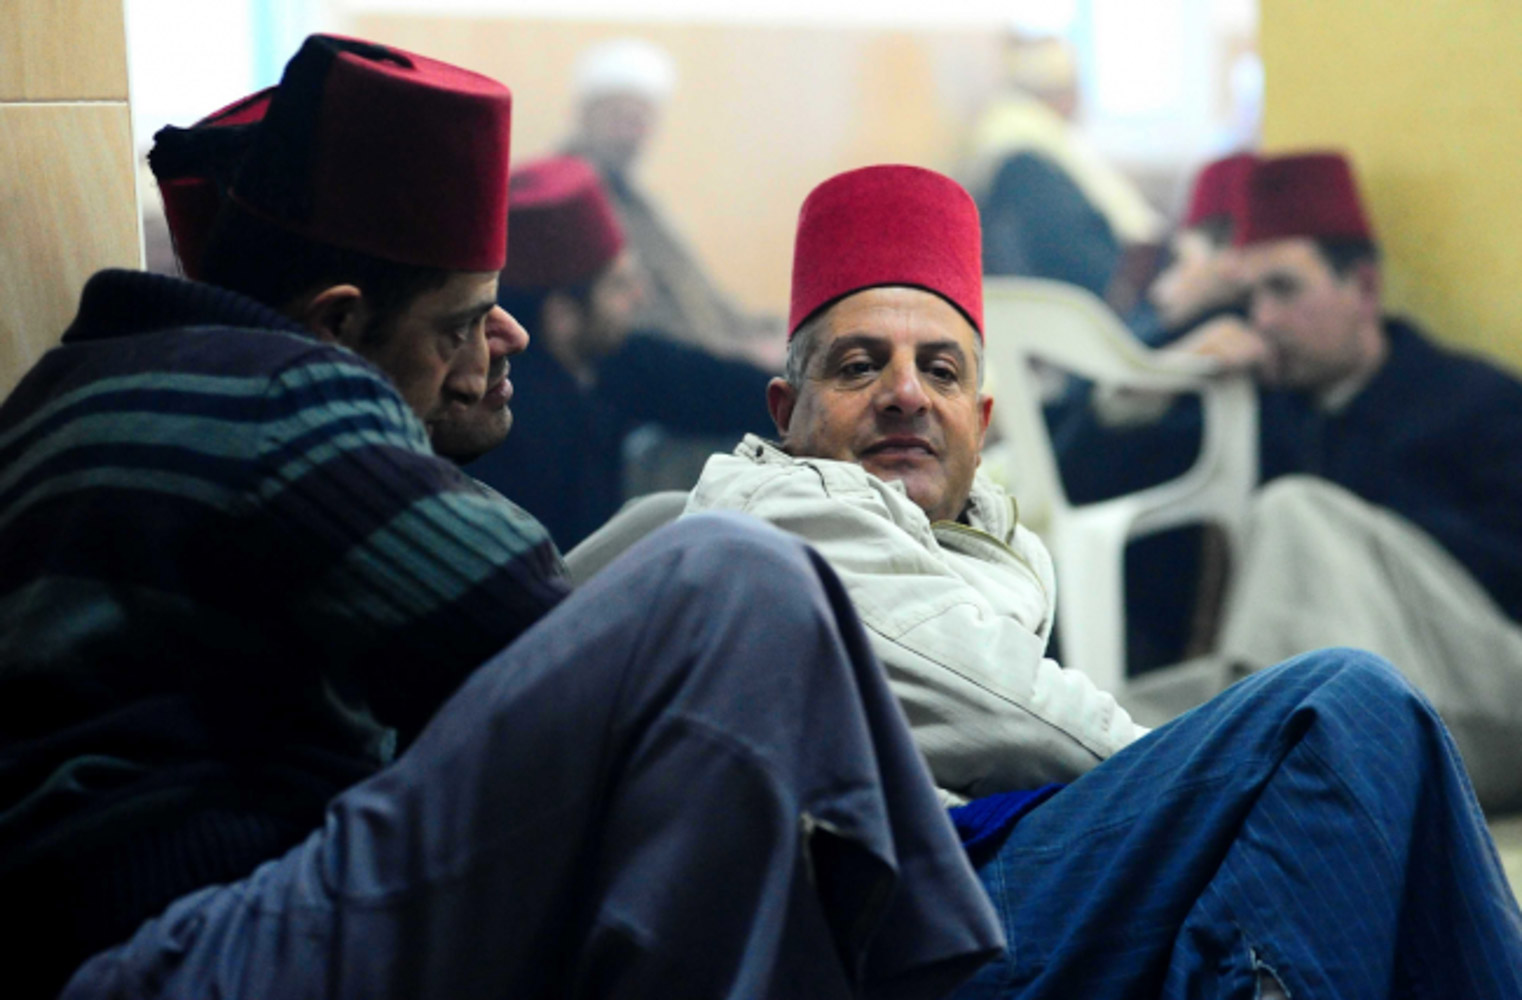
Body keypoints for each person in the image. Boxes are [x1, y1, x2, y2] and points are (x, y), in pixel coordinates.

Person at [0, 37, 1003, 998]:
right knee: (739, 580)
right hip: (190, 947)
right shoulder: (282, 396)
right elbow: (549, 644)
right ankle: (953, 960)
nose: (506, 335)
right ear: (338, 325)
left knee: (681, 562)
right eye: (464, 320)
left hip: (146, 933)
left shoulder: (81, 384)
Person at [685, 163, 1522, 995]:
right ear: (785, 412)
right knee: (1339, 708)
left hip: (991, 866)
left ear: (978, 422)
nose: (907, 393)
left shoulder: (1470, 403)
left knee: (1306, 853)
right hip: (912, 906)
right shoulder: (778, 514)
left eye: (941, 371)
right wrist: (1211, 778)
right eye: (861, 366)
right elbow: (1007, 710)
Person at [1060, 151, 1522, 811]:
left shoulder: (1470, 399)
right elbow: (1078, 477)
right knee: (1099, 723)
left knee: (1295, 511)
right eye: (1248, 297)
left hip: (1482, 693)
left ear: (1361, 289)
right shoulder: (1264, 413)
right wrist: (1168, 349)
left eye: (1284, 290)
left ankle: (1265, 777)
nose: (1264, 320)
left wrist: (1362, 538)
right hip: (1356, 708)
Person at [446, 155, 773, 546]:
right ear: (563, 316)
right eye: (619, 286)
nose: (640, 296)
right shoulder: (513, 427)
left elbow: (707, 384)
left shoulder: (604, 357)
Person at [565, 38, 779, 361]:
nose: (631, 132)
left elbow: (698, 293)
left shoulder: (636, 199)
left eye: (641, 119)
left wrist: (763, 331)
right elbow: (630, 320)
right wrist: (732, 353)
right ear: (586, 115)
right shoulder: (568, 199)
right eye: (619, 117)